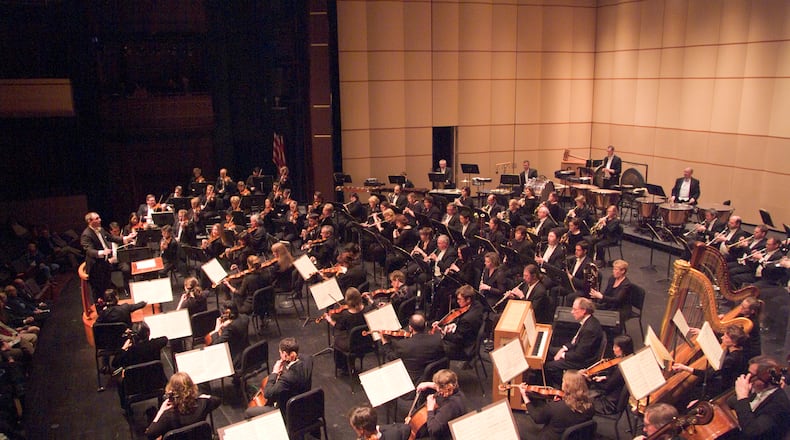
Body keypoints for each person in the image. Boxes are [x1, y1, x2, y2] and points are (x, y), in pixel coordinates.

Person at [672, 324, 749, 400]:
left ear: (734, 343)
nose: (722, 338)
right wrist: (702, 333)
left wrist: (685, 368)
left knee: (688, 395)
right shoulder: (737, 349)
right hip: (721, 379)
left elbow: (708, 374)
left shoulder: (731, 359)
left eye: (725, 337)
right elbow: (719, 336)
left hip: (722, 387)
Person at [245, 337, 312, 418]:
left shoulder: (287, 378)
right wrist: (288, 359)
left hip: (287, 412)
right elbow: (299, 358)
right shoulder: (308, 360)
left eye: (280, 353)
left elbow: (267, 393)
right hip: (305, 405)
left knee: (248, 412)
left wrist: (275, 373)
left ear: (284, 354)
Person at [544, 297, 603, 387]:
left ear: (583, 311)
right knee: (547, 351)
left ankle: (564, 388)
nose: (572, 312)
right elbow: (575, 341)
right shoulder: (589, 321)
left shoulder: (590, 329)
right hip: (577, 352)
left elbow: (580, 355)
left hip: (581, 361)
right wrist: (563, 349)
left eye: (575, 309)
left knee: (548, 367)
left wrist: (562, 355)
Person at [519, 370, 594, 440]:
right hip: (577, 437)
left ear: (566, 386)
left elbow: (537, 418)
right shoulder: (590, 404)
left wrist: (524, 396)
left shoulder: (555, 407)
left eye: (563, 381)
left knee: (522, 431)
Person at [728, 355, 790, 439]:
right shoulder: (758, 390)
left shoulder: (778, 404)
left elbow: (752, 431)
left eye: (752, 375)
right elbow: (730, 402)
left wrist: (742, 397)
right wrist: (742, 394)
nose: (748, 378)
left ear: (765, 378)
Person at [144, 372, 221, 440]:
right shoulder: (204, 403)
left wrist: (161, 411)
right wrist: (201, 396)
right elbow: (217, 401)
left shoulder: (168, 414)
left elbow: (150, 433)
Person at [81, 212, 137, 303]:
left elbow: (112, 238)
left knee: (107, 285)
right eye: (97, 218)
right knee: (98, 291)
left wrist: (125, 238)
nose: (100, 220)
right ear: (89, 221)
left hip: (104, 263)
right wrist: (102, 252)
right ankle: (100, 311)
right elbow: (89, 250)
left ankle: (110, 308)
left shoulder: (101, 229)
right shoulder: (86, 235)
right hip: (96, 267)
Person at [112, 322, 168, 408]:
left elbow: (114, 363)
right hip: (155, 382)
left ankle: (125, 406)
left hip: (134, 386)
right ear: (148, 333)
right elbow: (165, 339)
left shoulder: (129, 352)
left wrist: (124, 348)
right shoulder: (155, 345)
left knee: (119, 381)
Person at [381, 313, 445, 384]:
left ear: (410, 328)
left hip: (415, 380)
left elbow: (392, 357)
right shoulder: (437, 338)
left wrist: (385, 343)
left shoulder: (404, 345)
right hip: (436, 376)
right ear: (425, 324)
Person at [584, 334, 633, 415]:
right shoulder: (628, 360)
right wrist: (605, 377)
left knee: (579, 401)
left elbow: (606, 387)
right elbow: (616, 381)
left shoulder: (621, 368)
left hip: (609, 403)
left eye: (615, 346)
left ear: (621, 349)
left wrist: (591, 380)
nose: (613, 349)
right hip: (614, 394)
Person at [432, 285, 484, 359]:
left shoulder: (466, 320)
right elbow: (465, 329)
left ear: (468, 299)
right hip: (471, 340)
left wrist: (443, 332)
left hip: (464, 349)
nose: (457, 301)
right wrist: (455, 324)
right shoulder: (478, 305)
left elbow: (457, 339)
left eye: (460, 299)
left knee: (435, 347)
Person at [324, 288, 368, 373]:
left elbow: (338, 327)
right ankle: (351, 363)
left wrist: (329, 320)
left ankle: (344, 366)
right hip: (367, 342)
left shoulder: (346, 315)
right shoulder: (366, 310)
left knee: (337, 340)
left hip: (353, 345)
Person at [413, 369, 466, 440]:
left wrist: (430, 409)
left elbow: (433, 430)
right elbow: (444, 386)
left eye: (439, 389)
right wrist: (429, 384)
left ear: (447, 391)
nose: (437, 389)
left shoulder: (449, 406)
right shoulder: (456, 391)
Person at [208, 302, 249, 369]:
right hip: (246, 353)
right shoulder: (245, 318)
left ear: (227, 313)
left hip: (235, 360)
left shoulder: (230, 329)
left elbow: (216, 343)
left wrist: (217, 329)